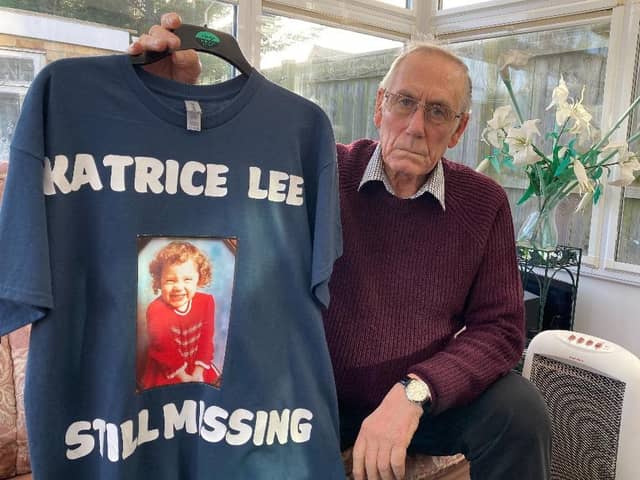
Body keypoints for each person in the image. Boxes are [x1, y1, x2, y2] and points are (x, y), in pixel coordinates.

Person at [130, 14, 551, 480]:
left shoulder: (484, 202)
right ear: (379, 106)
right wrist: (172, 103)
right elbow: (214, 190)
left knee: (521, 410)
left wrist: (413, 393)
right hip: (311, 394)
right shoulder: (321, 170)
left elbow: (501, 328)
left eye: (437, 111)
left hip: (415, 399)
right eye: (404, 102)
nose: (414, 125)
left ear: (458, 129)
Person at [140, 240, 220, 389]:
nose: (178, 287)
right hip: (168, 367)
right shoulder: (155, 309)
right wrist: (184, 377)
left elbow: (206, 339)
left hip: (196, 363)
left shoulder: (206, 302)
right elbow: (164, 349)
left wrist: (199, 371)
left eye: (187, 280)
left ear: (199, 280)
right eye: (170, 280)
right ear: (159, 281)